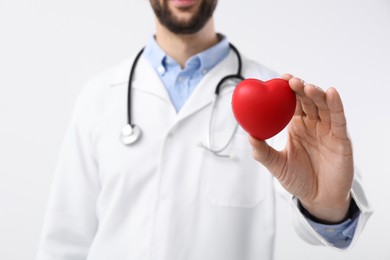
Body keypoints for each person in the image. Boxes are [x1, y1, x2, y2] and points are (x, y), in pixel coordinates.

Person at [36, 0, 372, 259]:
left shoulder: (281, 101)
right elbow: (65, 240)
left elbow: (326, 217)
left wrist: (328, 206)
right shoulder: (99, 96)